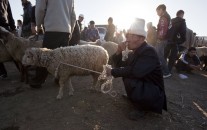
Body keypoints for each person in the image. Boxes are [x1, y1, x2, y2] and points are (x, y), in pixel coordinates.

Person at [106, 18, 167, 120]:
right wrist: (118, 51)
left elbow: (135, 72)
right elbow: (120, 65)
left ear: (142, 39)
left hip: (154, 93)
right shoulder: (135, 51)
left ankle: (142, 107)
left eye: (132, 36)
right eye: (128, 36)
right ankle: (134, 98)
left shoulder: (149, 51)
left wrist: (112, 72)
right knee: (126, 75)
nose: (127, 39)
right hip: (146, 86)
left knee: (130, 78)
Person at [29, 0, 76, 88]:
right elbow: (73, 15)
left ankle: (38, 80)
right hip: (65, 29)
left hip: (52, 28)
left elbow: (39, 8)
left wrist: (38, 25)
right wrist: (70, 31)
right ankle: (60, 79)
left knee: (45, 56)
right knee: (61, 57)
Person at [0, 0, 16, 79]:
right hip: (6, 26)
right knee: (13, 49)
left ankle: (2, 73)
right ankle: (21, 69)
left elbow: (9, 12)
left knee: (13, 49)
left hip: (4, 26)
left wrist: (13, 27)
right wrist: (13, 28)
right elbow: (10, 13)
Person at [155, 4, 172, 78]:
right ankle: (162, 71)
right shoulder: (167, 16)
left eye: (157, 11)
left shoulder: (163, 17)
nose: (157, 13)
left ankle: (166, 72)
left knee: (160, 55)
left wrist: (159, 38)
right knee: (160, 55)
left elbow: (162, 29)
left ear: (161, 9)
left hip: (162, 39)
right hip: (165, 39)